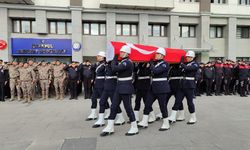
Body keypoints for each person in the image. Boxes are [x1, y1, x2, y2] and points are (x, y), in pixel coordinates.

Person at [101, 45, 139, 136]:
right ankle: (110, 127)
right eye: (120, 52)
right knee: (113, 106)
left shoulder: (128, 62)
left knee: (128, 108)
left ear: (127, 53)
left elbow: (115, 69)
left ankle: (134, 127)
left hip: (126, 87)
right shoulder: (123, 61)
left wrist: (114, 59)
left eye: (122, 52)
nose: (120, 53)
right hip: (119, 87)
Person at [138, 48, 171, 131]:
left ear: (162, 55)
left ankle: (166, 123)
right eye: (156, 53)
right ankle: (144, 121)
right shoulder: (155, 64)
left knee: (162, 106)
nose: (156, 55)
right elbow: (149, 72)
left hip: (162, 87)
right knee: (147, 103)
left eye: (157, 54)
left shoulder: (165, 64)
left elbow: (156, 71)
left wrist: (151, 64)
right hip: (153, 87)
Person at [169, 51, 199, 125]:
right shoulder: (185, 64)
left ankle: (193, 117)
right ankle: (173, 116)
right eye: (187, 57)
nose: (187, 58)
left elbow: (187, 68)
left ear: (192, 57)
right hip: (182, 85)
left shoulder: (195, 64)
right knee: (177, 101)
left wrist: (181, 63)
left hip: (189, 86)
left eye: (189, 57)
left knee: (190, 102)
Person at [86, 51, 107, 121]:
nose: (97, 57)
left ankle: (108, 112)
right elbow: (92, 70)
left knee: (103, 99)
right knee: (93, 98)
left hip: (102, 83)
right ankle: (93, 114)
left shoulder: (105, 64)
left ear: (102, 57)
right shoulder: (97, 64)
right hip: (97, 83)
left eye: (98, 56)